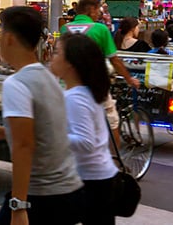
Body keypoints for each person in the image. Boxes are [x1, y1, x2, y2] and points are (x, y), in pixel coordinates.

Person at [0, 6, 86, 224]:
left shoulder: (17, 83)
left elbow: (24, 145)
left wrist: (18, 205)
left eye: (1, 31)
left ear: (10, 38)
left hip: (41, 196)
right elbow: (47, 129)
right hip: (68, 192)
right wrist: (2, 132)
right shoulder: (48, 77)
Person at [50, 34, 121, 225]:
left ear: (71, 63)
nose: (52, 57)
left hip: (91, 183)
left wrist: (51, 135)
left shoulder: (76, 97)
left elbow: (86, 142)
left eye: (56, 52)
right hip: (97, 178)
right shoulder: (82, 92)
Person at [63, 0, 140, 89]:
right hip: (94, 84)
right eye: (98, 10)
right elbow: (114, 59)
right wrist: (129, 79)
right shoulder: (100, 29)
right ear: (91, 10)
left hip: (69, 84)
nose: (99, 14)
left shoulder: (64, 28)